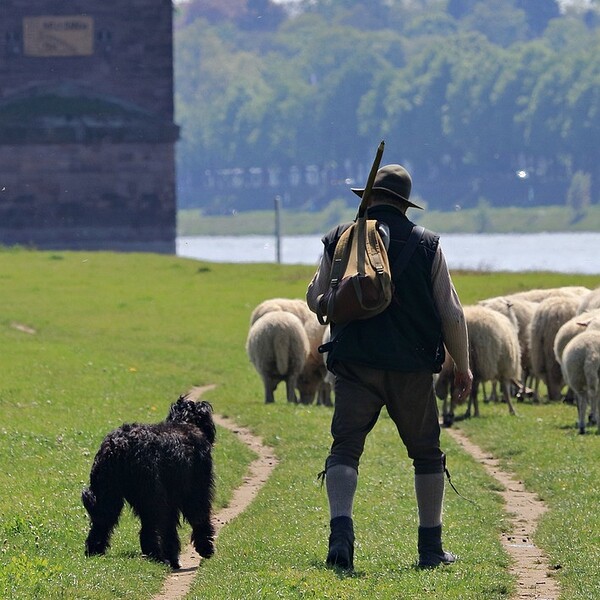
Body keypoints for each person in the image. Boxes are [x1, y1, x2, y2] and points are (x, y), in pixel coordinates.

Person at [306, 163, 473, 570]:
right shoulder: (427, 244)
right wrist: (463, 366)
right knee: (427, 454)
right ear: (404, 204)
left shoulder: (341, 238)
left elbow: (315, 299)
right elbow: (451, 313)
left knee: (345, 448)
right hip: (411, 368)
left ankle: (340, 537)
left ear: (368, 196)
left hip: (354, 364)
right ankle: (430, 549)